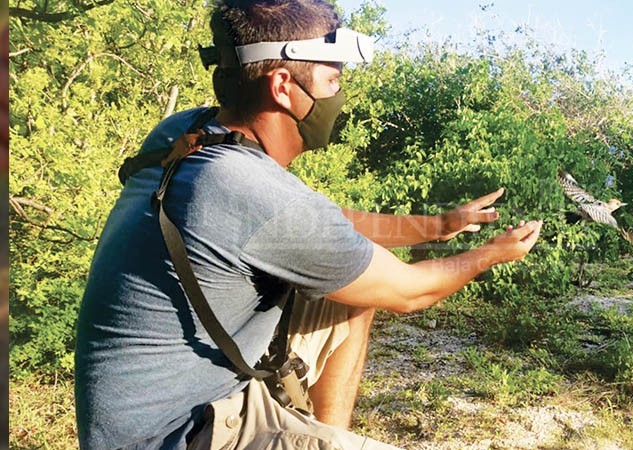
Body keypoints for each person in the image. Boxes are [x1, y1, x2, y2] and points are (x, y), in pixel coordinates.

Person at [74, 0, 543, 449]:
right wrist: (493, 253)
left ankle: (324, 434)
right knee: (373, 279)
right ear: (283, 86)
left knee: (352, 288)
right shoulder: (247, 187)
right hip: (179, 435)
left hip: (138, 414)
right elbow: (410, 291)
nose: (339, 96)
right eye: (332, 80)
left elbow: (328, 230)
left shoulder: (187, 131)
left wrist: (438, 225)